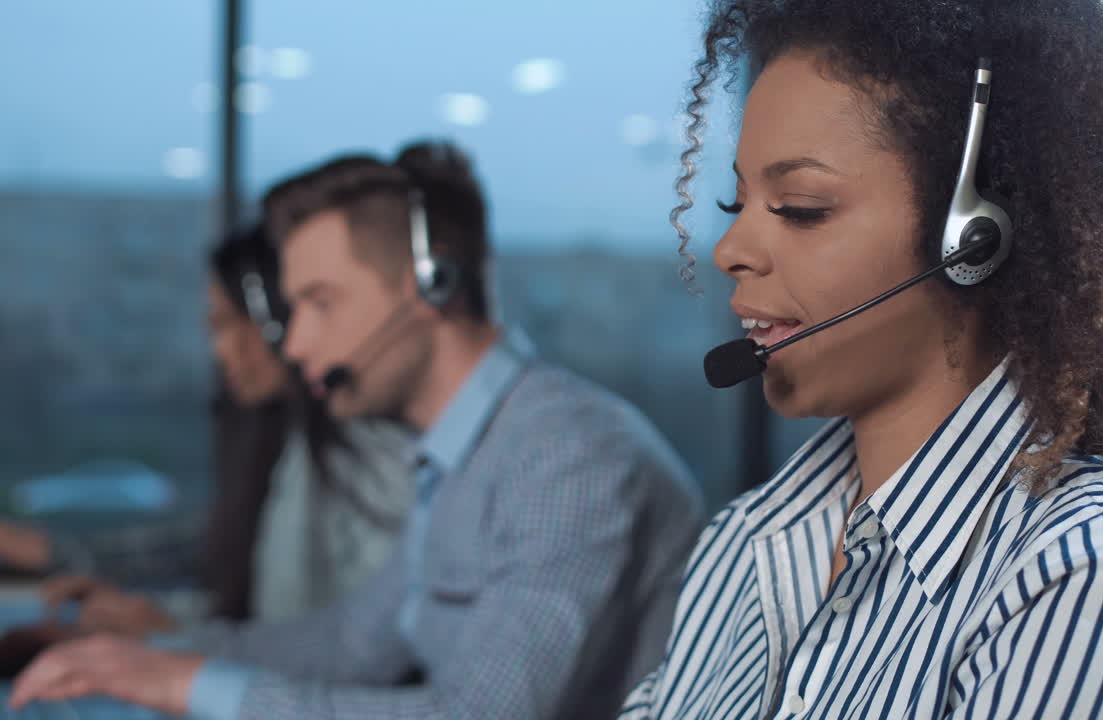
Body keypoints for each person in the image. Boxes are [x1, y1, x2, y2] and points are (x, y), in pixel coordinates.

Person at [618, 1, 1103, 718]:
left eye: (801, 207)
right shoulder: (742, 544)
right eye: (732, 203)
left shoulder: (1094, 571)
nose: (728, 251)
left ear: (974, 241)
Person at [9, 140, 705, 720]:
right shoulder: (455, 454)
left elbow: (478, 716)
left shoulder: (568, 453)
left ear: (431, 286)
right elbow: (351, 643)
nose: (296, 343)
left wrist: (182, 683)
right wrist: (152, 657)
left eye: (320, 302)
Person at [0, 223, 413, 635]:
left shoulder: (362, 451)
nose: (219, 350)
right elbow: (223, 555)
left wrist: (168, 635)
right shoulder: (288, 443)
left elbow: (338, 652)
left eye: (229, 324)